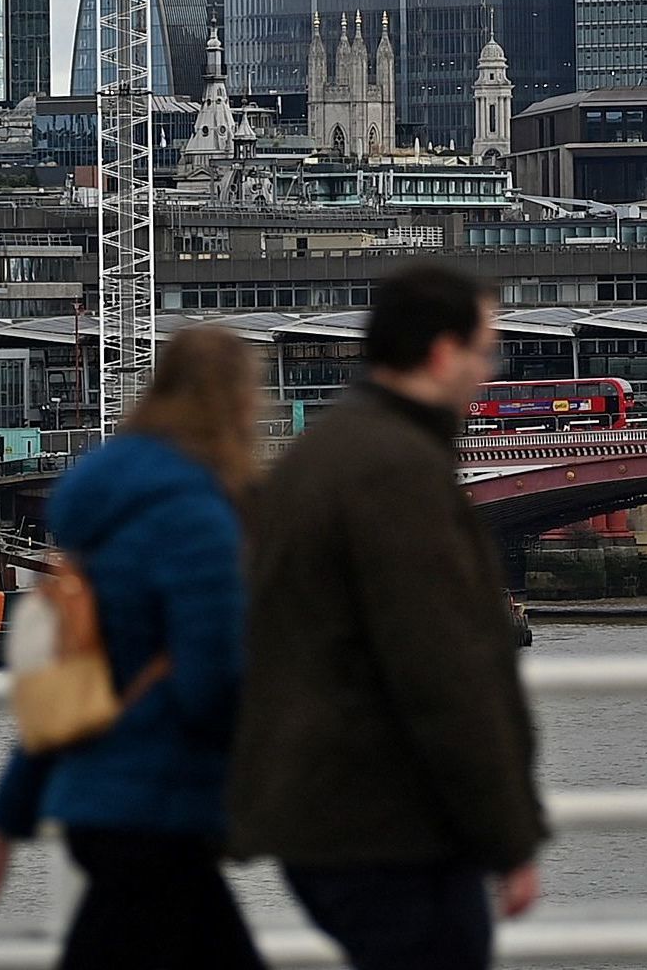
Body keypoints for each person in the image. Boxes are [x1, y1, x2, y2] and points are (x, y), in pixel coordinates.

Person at [233, 258, 544, 970]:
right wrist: (506, 834)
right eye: (482, 349)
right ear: (441, 352)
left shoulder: (324, 453)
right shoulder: (396, 471)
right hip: (387, 823)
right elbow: (442, 668)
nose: (487, 371)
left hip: (323, 812)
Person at [0, 325, 264, 970]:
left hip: (98, 804)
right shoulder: (196, 516)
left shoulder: (101, 515)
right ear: (234, 405)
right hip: (160, 803)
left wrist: (5, 824)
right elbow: (213, 676)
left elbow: (62, 693)